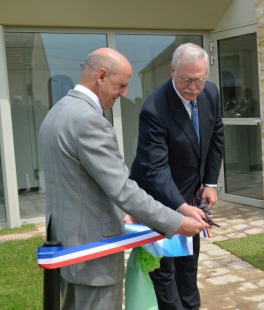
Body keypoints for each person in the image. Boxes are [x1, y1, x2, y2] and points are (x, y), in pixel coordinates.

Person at [38, 47, 209, 310]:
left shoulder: (58, 111)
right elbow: (123, 188)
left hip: (68, 246)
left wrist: (121, 214)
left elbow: (81, 182)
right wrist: (177, 222)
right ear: (101, 76)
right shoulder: (89, 121)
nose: (125, 94)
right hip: (93, 256)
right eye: (121, 85)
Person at [130, 43, 224, 309]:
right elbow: (155, 170)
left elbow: (216, 135)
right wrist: (181, 209)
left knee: (187, 266)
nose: (194, 87)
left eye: (199, 80)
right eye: (187, 80)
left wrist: (210, 183)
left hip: (190, 197)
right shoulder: (154, 110)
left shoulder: (212, 93)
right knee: (164, 271)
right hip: (158, 199)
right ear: (173, 71)